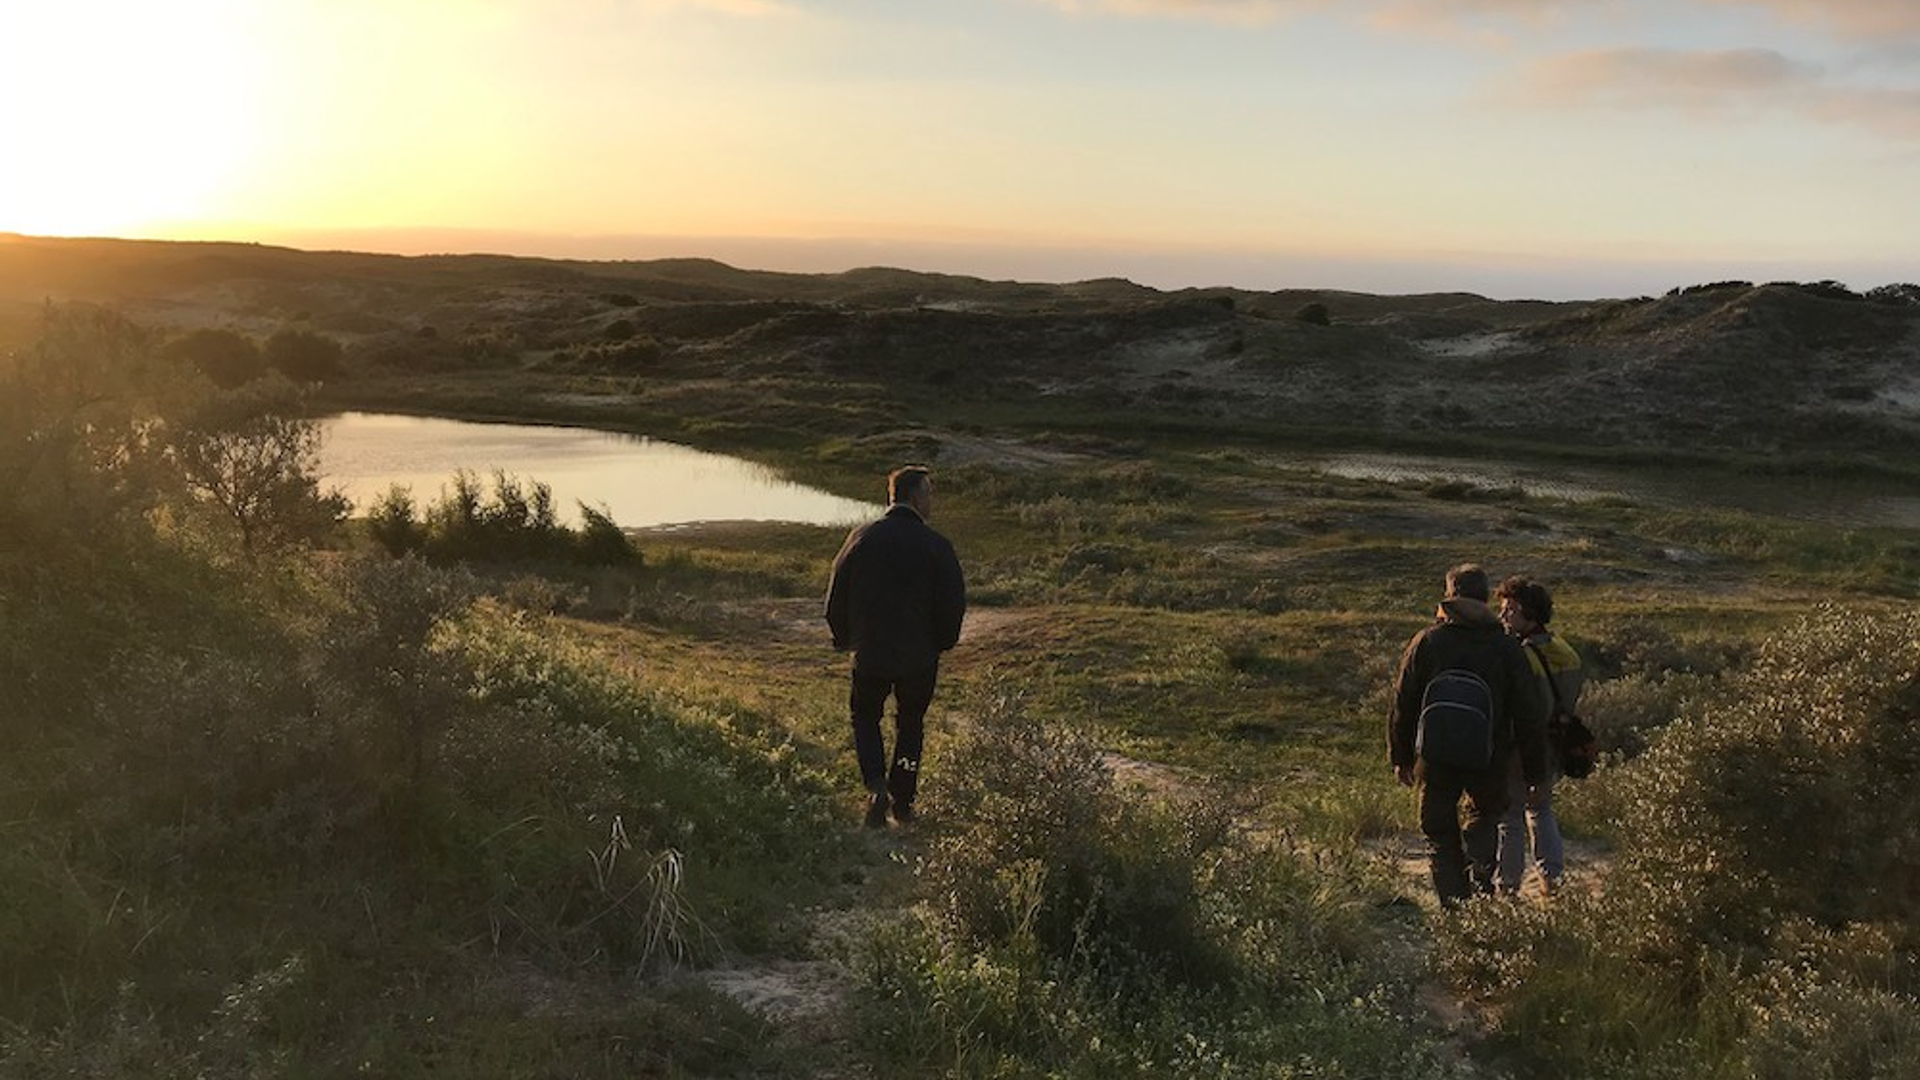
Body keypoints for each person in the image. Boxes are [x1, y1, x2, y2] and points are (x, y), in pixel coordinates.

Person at [1388, 564, 1548, 907]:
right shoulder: (1506, 648)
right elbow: (1529, 715)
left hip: (1435, 757)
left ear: (1449, 596)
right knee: (1486, 818)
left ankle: (1453, 905)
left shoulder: (1427, 641)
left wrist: (1400, 756)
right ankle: (1479, 893)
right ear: (1485, 597)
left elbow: (1403, 702)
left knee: (1439, 831)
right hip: (1489, 757)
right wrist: (1535, 772)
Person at [825, 465, 966, 828]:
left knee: (865, 718)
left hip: (870, 652)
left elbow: (836, 595)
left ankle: (875, 786)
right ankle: (903, 802)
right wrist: (943, 642)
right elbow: (953, 603)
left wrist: (844, 638)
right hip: (919, 657)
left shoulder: (861, 538)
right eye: (929, 493)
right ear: (915, 497)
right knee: (911, 725)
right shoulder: (937, 545)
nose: (931, 501)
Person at [1493, 575, 1585, 897]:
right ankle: (1552, 882)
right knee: (1542, 810)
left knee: (1511, 816)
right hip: (1553, 745)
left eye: (1510, 610)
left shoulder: (1518, 657)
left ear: (1528, 614)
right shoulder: (1567, 653)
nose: (1503, 616)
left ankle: (1507, 888)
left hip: (1520, 748)